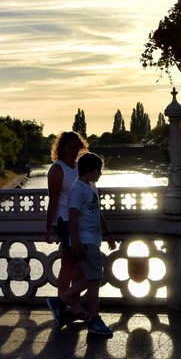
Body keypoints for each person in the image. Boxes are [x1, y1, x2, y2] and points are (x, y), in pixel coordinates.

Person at [58, 152, 117, 337]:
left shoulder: (91, 186)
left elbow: (97, 213)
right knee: (95, 278)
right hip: (84, 240)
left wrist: (107, 234)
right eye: (98, 170)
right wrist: (74, 242)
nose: (101, 174)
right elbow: (72, 216)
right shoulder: (78, 188)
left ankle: (61, 302)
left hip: (93, 239)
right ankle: (93, 318)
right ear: (90, 171)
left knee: (90, 277)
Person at [44, 130, 87, 323]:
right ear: (61, 148)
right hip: (63, 219)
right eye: (70, 147)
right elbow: (53, 200)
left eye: (76, 147)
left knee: (73, 265)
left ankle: (66, 304)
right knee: (70, 263)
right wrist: (48, 227)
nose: (73, 151)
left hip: (79, 220)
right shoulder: (57, 168)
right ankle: (68, 305)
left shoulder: (79, 167)